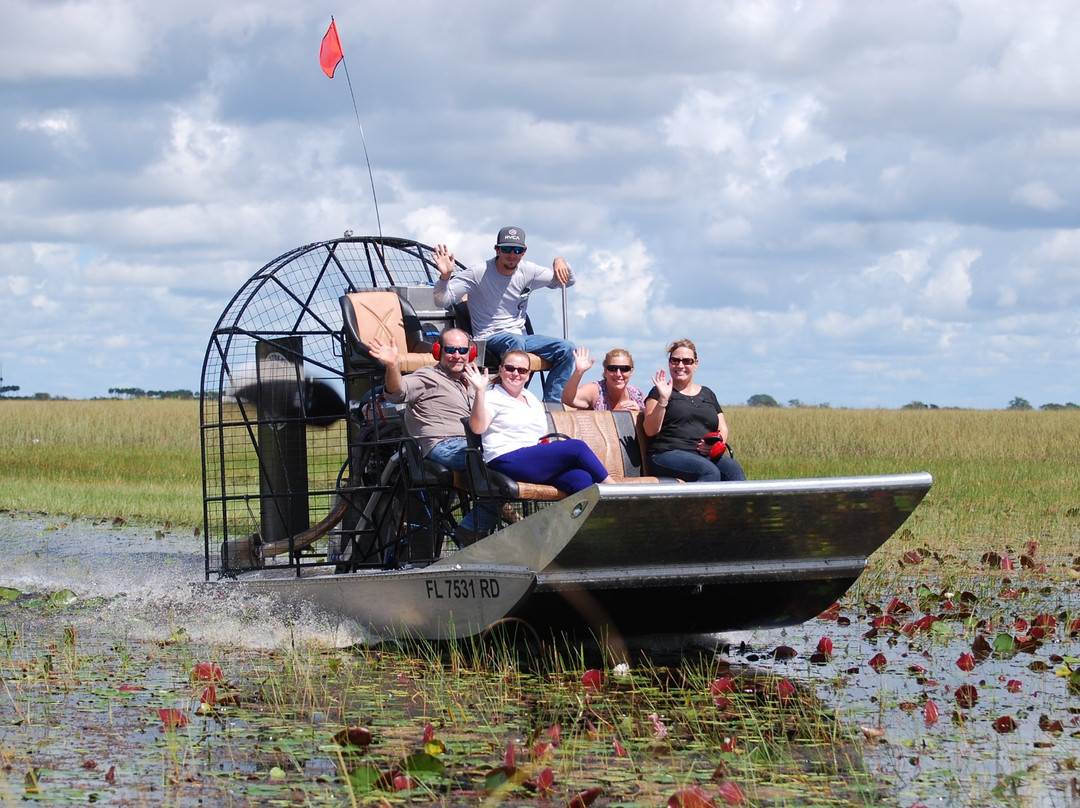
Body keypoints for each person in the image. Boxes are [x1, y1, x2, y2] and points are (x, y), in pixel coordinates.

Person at [367, 328, 495, 537]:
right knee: (494, 459)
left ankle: (473, 528)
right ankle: (470, 529)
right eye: (450, 350)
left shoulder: (473, 381)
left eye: (462, 350)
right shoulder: (427, 376)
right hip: (442, 446)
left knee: (505, 461)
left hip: (472, 444)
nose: (457, 355)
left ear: (471, 353)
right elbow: (396, 393)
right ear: (438, 351)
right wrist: (392, 366)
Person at [432, 226, 575, 403]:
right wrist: (445, 277)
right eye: (506, 249)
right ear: (497, 249)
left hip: (520, 337)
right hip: (489, 336)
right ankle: (510, 400)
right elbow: (442, 300)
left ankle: (552, 404)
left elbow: (566, 282)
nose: (512, 254)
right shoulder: (479, 272)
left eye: (517, 250)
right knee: (515, 341)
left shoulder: (528, 270)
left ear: (524, 252)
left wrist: (560, 261)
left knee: (567, 348)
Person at [464, 350, 616, 494]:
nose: (516, 373)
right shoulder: (492, 397)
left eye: (522, 370)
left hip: (533, 461)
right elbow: (477, 428)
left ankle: (584, 520)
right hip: (505, 459)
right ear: (501, 369)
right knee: (576, 447)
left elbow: (544, 435)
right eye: (510, 368)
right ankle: (614, 489)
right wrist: (480, 392)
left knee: (581, 478)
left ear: (528, 374)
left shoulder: (530, 397)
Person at [643, 339, 747, 482]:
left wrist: (716, 445)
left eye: (687, 361)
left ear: (695, 364)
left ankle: (733, 505)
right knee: (709, 471)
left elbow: (722, 427)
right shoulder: (658, 392)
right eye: (675, 360)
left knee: (733, 469)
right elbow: (650, 430)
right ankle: (699, 505)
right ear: (669, 363)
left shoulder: (707, 393)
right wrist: (663, 399)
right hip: (665, 453)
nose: (680, 365)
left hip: (702, 454)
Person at [561, 346, 646, 411]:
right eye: (613, 369)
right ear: (605, 371)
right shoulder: (595, 391)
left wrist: (641, 411)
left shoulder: (637, 394)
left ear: (631, 371)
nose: (618, 374)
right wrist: (578, 372)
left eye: (624, 369)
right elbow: (568, 400)